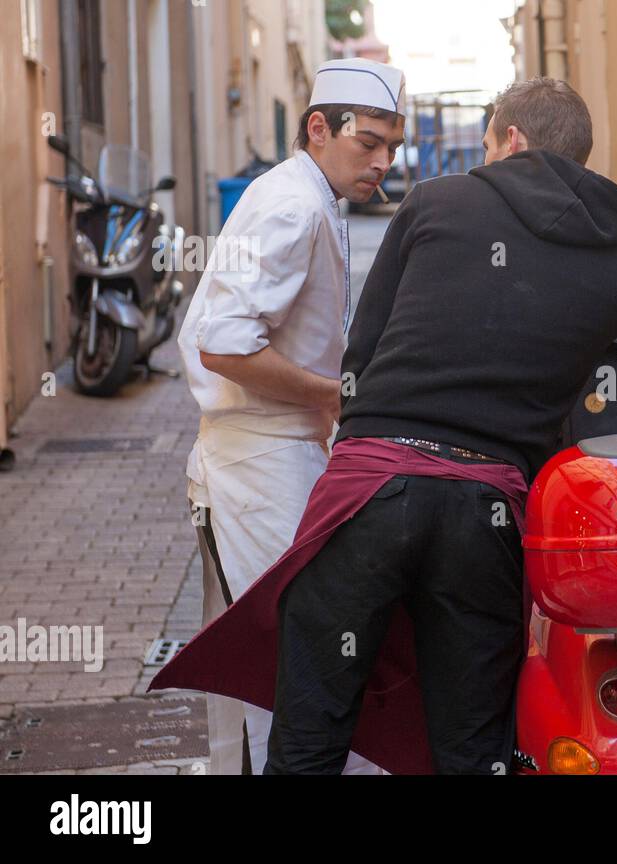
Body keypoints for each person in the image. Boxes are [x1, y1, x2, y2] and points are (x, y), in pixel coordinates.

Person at [245, 76, 617, 774]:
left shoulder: (434, 202)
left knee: (310, 733)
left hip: (368, 492)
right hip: (481, 517)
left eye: (487, 142)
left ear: (510, 140)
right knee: (471, 748)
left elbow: (360, 356)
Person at [175, 58, 406, 775]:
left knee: (272, 668)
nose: (383, 162)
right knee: (289, 667)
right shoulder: (293, 203)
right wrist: (329, 394)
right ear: (318, 127)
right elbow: (222, 344)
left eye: (392, 147)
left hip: (279, 461)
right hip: (258, 466)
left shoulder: (314, 196)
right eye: (368, 142)